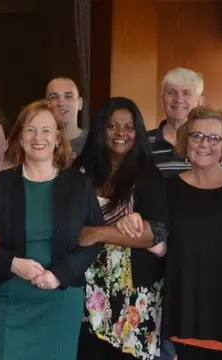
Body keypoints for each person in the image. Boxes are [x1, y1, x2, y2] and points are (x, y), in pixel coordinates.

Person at [0, 99, 104, 360]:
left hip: (59, 299)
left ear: (57, 138)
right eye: (30, 130)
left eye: (45, 130)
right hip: (8, 299)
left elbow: (95, 239)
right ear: (19, 138)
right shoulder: (2, 184)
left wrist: (60, 274)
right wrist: (12, 263)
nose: (37, 137)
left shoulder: (79, 184)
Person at [73, 97, 170, 360]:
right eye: (112, 126)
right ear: (100, 129)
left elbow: (157, 233)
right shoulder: (81, 171)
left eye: (129, 127)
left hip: (134, 296)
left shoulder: (147, 175)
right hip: (88, 293)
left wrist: (98, 233)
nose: (121, 134)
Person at [162, 106, 222, 360]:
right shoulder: (167, 190)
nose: (204, 144)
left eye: (214, 138)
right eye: (197, 136)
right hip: (183, 318)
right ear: (186, 140)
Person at [147, 67, 222, 178]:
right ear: (162, 99)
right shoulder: (142, 142)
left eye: (186, 93)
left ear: (200, 101)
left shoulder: (216, 142)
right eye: (171, 93)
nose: (178, 99)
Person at [46, 77, 87, 157]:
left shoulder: (94, 142)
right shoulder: (38, 143)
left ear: (80, 104)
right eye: (54, 97)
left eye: (68, 97)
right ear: (46, 104)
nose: (61, 103)